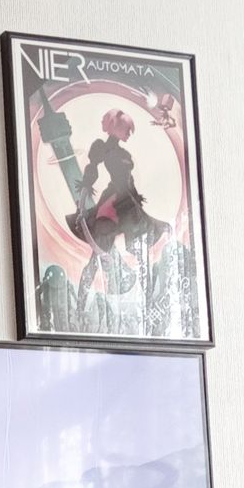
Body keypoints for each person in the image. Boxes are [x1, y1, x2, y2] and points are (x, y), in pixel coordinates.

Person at [66, 108, 169, 330]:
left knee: (141, 254)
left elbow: (128, 180)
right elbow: (90, 173)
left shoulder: (121, 152)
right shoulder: (102, 148)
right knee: (98, 255)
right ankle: (80, 303)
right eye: (126, 129)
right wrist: (82, 204)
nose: (129, 134)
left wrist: (136, 199)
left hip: (128, 202)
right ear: (115, 127)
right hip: (114, 202)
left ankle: (149, 302)